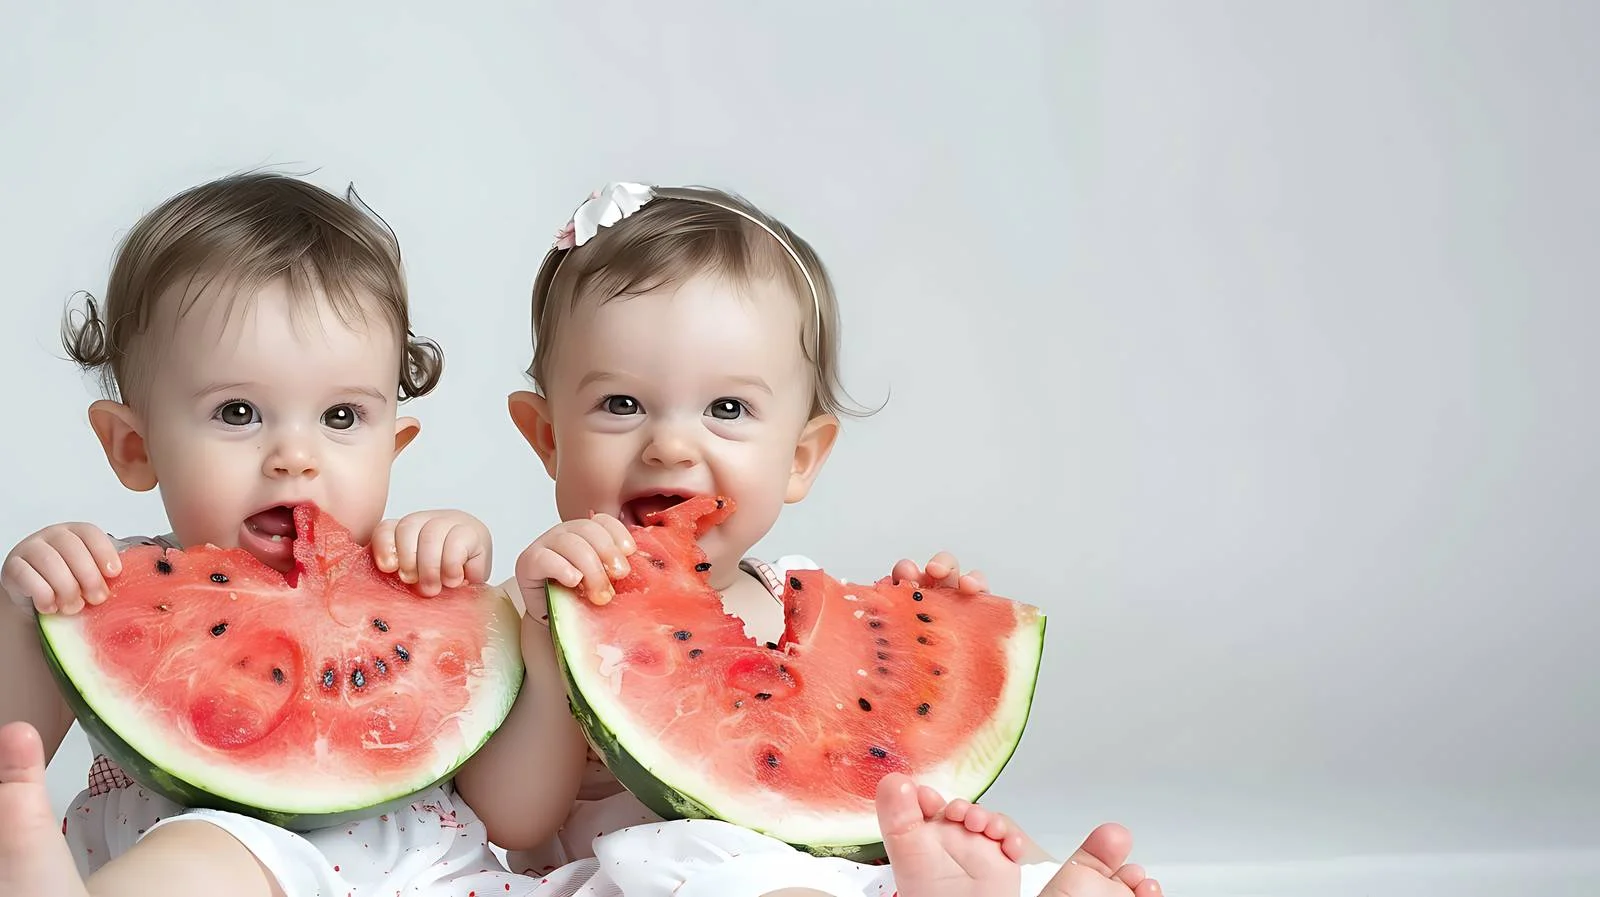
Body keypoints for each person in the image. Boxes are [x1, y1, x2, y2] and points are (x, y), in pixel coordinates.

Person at [457, 182, 1166, 897]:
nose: (670, 445)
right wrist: (546, 644)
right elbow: (515, 819)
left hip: (831, 865)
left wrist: (924, 643)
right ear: (548, 437)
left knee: (958, 828)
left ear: (800, 458)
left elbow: (861, 778)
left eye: (727, 408)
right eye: (621, 404)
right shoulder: (528, 607)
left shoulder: (792, 596)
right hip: (647, 880)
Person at [0, 172, 584, 897]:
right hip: (212, 864)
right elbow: (11, 750)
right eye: (238, 412)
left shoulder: (415, 578)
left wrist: (529, 641)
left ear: (393, 447)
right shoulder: (105, 586)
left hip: (424, 878)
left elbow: (519, 819)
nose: (295, 456)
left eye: (341, 417)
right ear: (134, 447)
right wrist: (22, 614)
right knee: (206, 852)